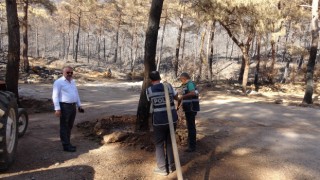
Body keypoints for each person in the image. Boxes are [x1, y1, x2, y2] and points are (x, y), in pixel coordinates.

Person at [146, 71, 179, 176]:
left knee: (159, 144)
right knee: (170, 142)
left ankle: (162, 169)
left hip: (159, 121)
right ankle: (170, 165)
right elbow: (176, 96)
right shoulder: (168, 86)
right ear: (160, 78)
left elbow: (149, 101)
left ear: (151, 80)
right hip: (172, 120)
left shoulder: (149, 90)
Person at [52, 66, 84, 152]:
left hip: (73, 106)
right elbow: (55, 96)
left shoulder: (73, 81)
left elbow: (76, 94)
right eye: (68, 72)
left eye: (71, 73)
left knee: (69, 126)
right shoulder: (58, 82)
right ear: (63, 73)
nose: (70, 74)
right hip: (64, 106)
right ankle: (66, 145)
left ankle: (68, 143)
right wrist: (57, 109)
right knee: (64, 126)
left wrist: (79, 105)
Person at [178, 72, 200, 152]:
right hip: (188, 108)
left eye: (181, 80)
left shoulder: (190, 84)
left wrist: (182, 97)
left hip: (191, 108)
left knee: (191, 127)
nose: (181, 81)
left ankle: (192, 146)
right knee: (190, 126)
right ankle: (191, 144)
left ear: (184, 78)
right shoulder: (186, 85)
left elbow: (193, 93)